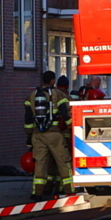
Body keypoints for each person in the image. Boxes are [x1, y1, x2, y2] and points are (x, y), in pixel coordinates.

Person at [25, 71, 73, 200]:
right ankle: (70, 190)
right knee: (63, 162)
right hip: (54, 134)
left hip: (37, 135)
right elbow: (65, 114)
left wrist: (29, 136)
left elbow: (28, 118)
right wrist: (72, 127)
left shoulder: (31, 96)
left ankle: (37, 192)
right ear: (53, 80)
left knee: (40, 163)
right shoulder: (58, 94)